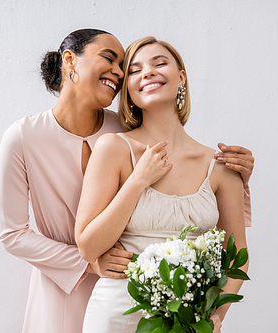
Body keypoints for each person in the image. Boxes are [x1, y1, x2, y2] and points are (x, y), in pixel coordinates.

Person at [0, 30, 253, 333]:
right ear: (70, 61)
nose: (119, 73)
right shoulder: (27, 136)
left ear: (181, 76)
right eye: (115, 62)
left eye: (123, 67)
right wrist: (89, 263)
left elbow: (225, 236)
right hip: (68, 283)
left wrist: (239, 178)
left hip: (154, 300)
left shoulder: (125, 129)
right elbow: (13, 234)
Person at [76, 36, 249, 333]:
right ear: (128, 89)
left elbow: (237, 257)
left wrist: (213, 315)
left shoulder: (219, 166)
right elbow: (88, 246)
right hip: (116, 314)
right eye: (135, 70)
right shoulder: (113, 149)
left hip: (189, 320)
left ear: (181, 76)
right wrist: (138, 181)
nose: (148, 72)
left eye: (160, 63)